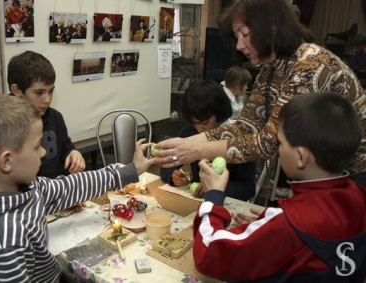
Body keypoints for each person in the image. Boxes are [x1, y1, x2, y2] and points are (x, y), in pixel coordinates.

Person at [0, 94, 154, 283]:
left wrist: (130, 171)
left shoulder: (26, 189)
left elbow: (70, 187)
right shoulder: (4, 240)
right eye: (36, 146)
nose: (43, 152)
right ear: (7, 161)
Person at [154, 0, 366, 188]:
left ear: (272, 28)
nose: (239, 45)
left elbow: (268, 142)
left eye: (245, 34)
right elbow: (247, 125)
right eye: (236, 37)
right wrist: (188, 142)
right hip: (321, 172)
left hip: (353, 176)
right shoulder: (271, 68)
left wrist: (198, 150)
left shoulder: (310, 64)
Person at [194, 92, 366, 282]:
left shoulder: (288, 223)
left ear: (301, 157)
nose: (278, 150)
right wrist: (269, 230)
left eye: (281, 143)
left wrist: (214, 195)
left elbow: (209, 253)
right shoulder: (359, 196)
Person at [160, 80, 256, 201]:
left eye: (205, 122)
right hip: (196, 201)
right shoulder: (191, 130)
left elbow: (247, 189)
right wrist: (175, 177)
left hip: (227, 202)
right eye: (194, 123)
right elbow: (169, 163)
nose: (199, 129)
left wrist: (215, 188)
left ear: (220, 114)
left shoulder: (239, 139)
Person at [8, 50, 85, 179]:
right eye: (39, 93)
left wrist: (73, 153)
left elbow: (67, 147)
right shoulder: (2, 123)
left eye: (51, 91)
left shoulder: (55, 117)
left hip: (52, 190)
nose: (47, 100)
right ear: (16, 90)